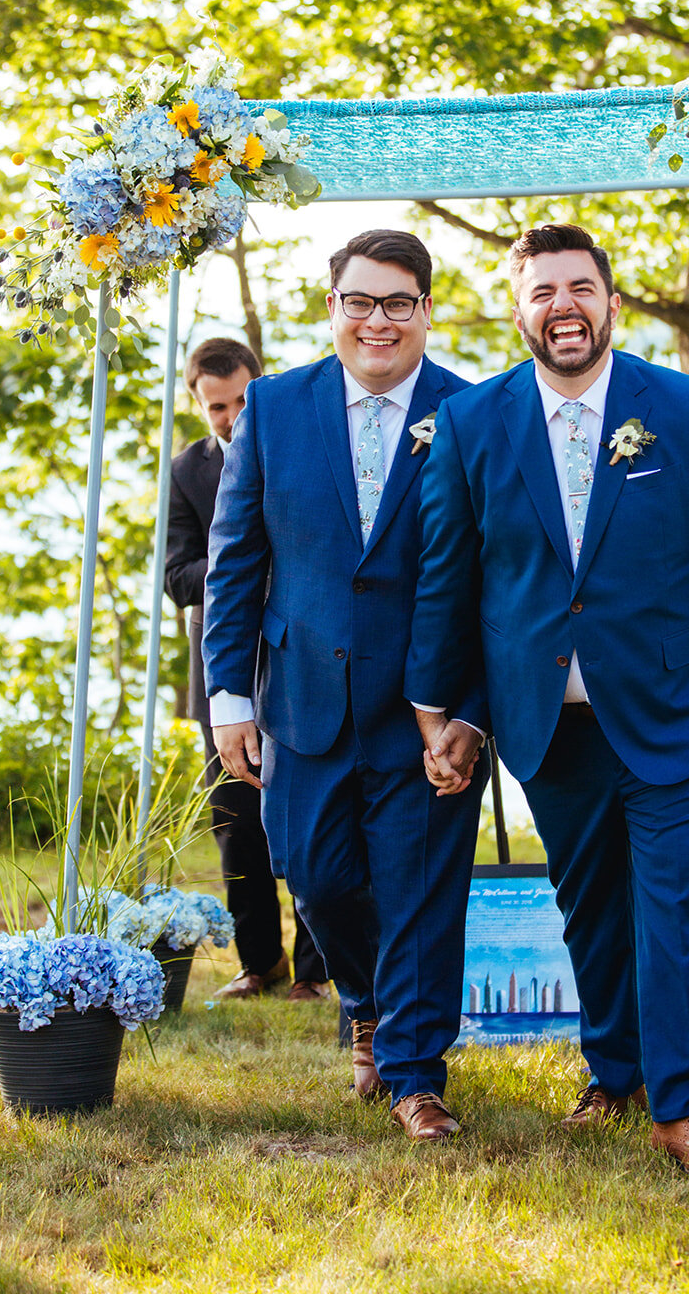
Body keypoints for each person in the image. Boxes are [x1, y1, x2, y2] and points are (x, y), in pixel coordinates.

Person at [405, 223, 689, 1172]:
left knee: (674, 910)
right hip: (548, 727)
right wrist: (442, 713)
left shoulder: (686, 411)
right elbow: (452, 581)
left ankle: (682, 1110)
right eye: (541, 292)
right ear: (519, 310)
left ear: (610, 302)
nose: (561, 306)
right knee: (592, 912)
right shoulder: (474, 426)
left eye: (580, 288)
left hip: (678, 718)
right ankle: (614, 1075)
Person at [202, 230, 487, 1142]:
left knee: (419, 894)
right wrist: (231, 700)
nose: (377, 321)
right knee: (317, 880)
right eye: (359, 301)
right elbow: (234, 562)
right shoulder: (275, 407)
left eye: (397, 303)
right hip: (301, 703)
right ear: (332, 307)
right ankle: (365, 1001)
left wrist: (472, 715)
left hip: (426, 713)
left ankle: (413, 1076)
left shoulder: (472, 411)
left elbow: (500, 577)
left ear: (426, 313)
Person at [165, 336, 328, 1003]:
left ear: (258, 387)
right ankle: (256, 962)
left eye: (238, 401)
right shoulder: (186, 471)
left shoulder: (303, 446)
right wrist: (240, 563)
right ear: (197, 404)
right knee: (234, 812)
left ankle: (315, 970)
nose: (230, 417)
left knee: (319, 805)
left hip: (301, 653)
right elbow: (177, 578)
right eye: (215, 407)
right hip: (224, 659)